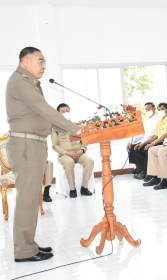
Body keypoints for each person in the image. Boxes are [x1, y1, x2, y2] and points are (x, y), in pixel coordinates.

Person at [6, 47, 82, 262]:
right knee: (27, 199)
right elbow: (43, 108)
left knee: (31, 197)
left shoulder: (29, 82)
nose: (43, 66)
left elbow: (40, 111)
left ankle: (29, 244)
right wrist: (73, 128)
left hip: (33, 144)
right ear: (25, 61)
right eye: (40, 61)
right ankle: (23, 250)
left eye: (44, 62)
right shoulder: (21, 81)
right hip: (26, 145)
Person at [51, 103, 94, 198]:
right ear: (58, 114)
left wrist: (82, 150)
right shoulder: (55, 128)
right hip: (65, 154)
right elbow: (54, 145)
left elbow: (84, 140)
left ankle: (84, 187)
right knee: (69, 163)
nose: (66, 113)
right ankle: (72, 189)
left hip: (79, 152)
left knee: (89, 161)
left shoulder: (76, 125)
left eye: (67, 111)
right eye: (63, 111)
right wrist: (67, 153)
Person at [134, 103, 167, 181]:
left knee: (149, 150)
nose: (160, 111)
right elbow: (156, 135)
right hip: (161, 141)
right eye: (159, 109)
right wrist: (144, 143)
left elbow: (165, 134)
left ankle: (152, 176)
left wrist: (153, 143)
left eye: (162, 109)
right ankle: (147, 173)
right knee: (142, 147)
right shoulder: (161, 120)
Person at [127, 102, 160, 174]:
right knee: (131, 146)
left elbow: (151, 134)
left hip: (152, 140)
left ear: (154, 109)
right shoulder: (147, 120)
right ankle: (138, 168)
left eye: (150, 109)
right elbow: (142, 134)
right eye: (146, 109)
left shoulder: (157, 119)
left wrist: (141, 143)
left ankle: (143, 171)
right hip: (145, 140)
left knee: (137, 148)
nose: (148, 111)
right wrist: (130, 142)